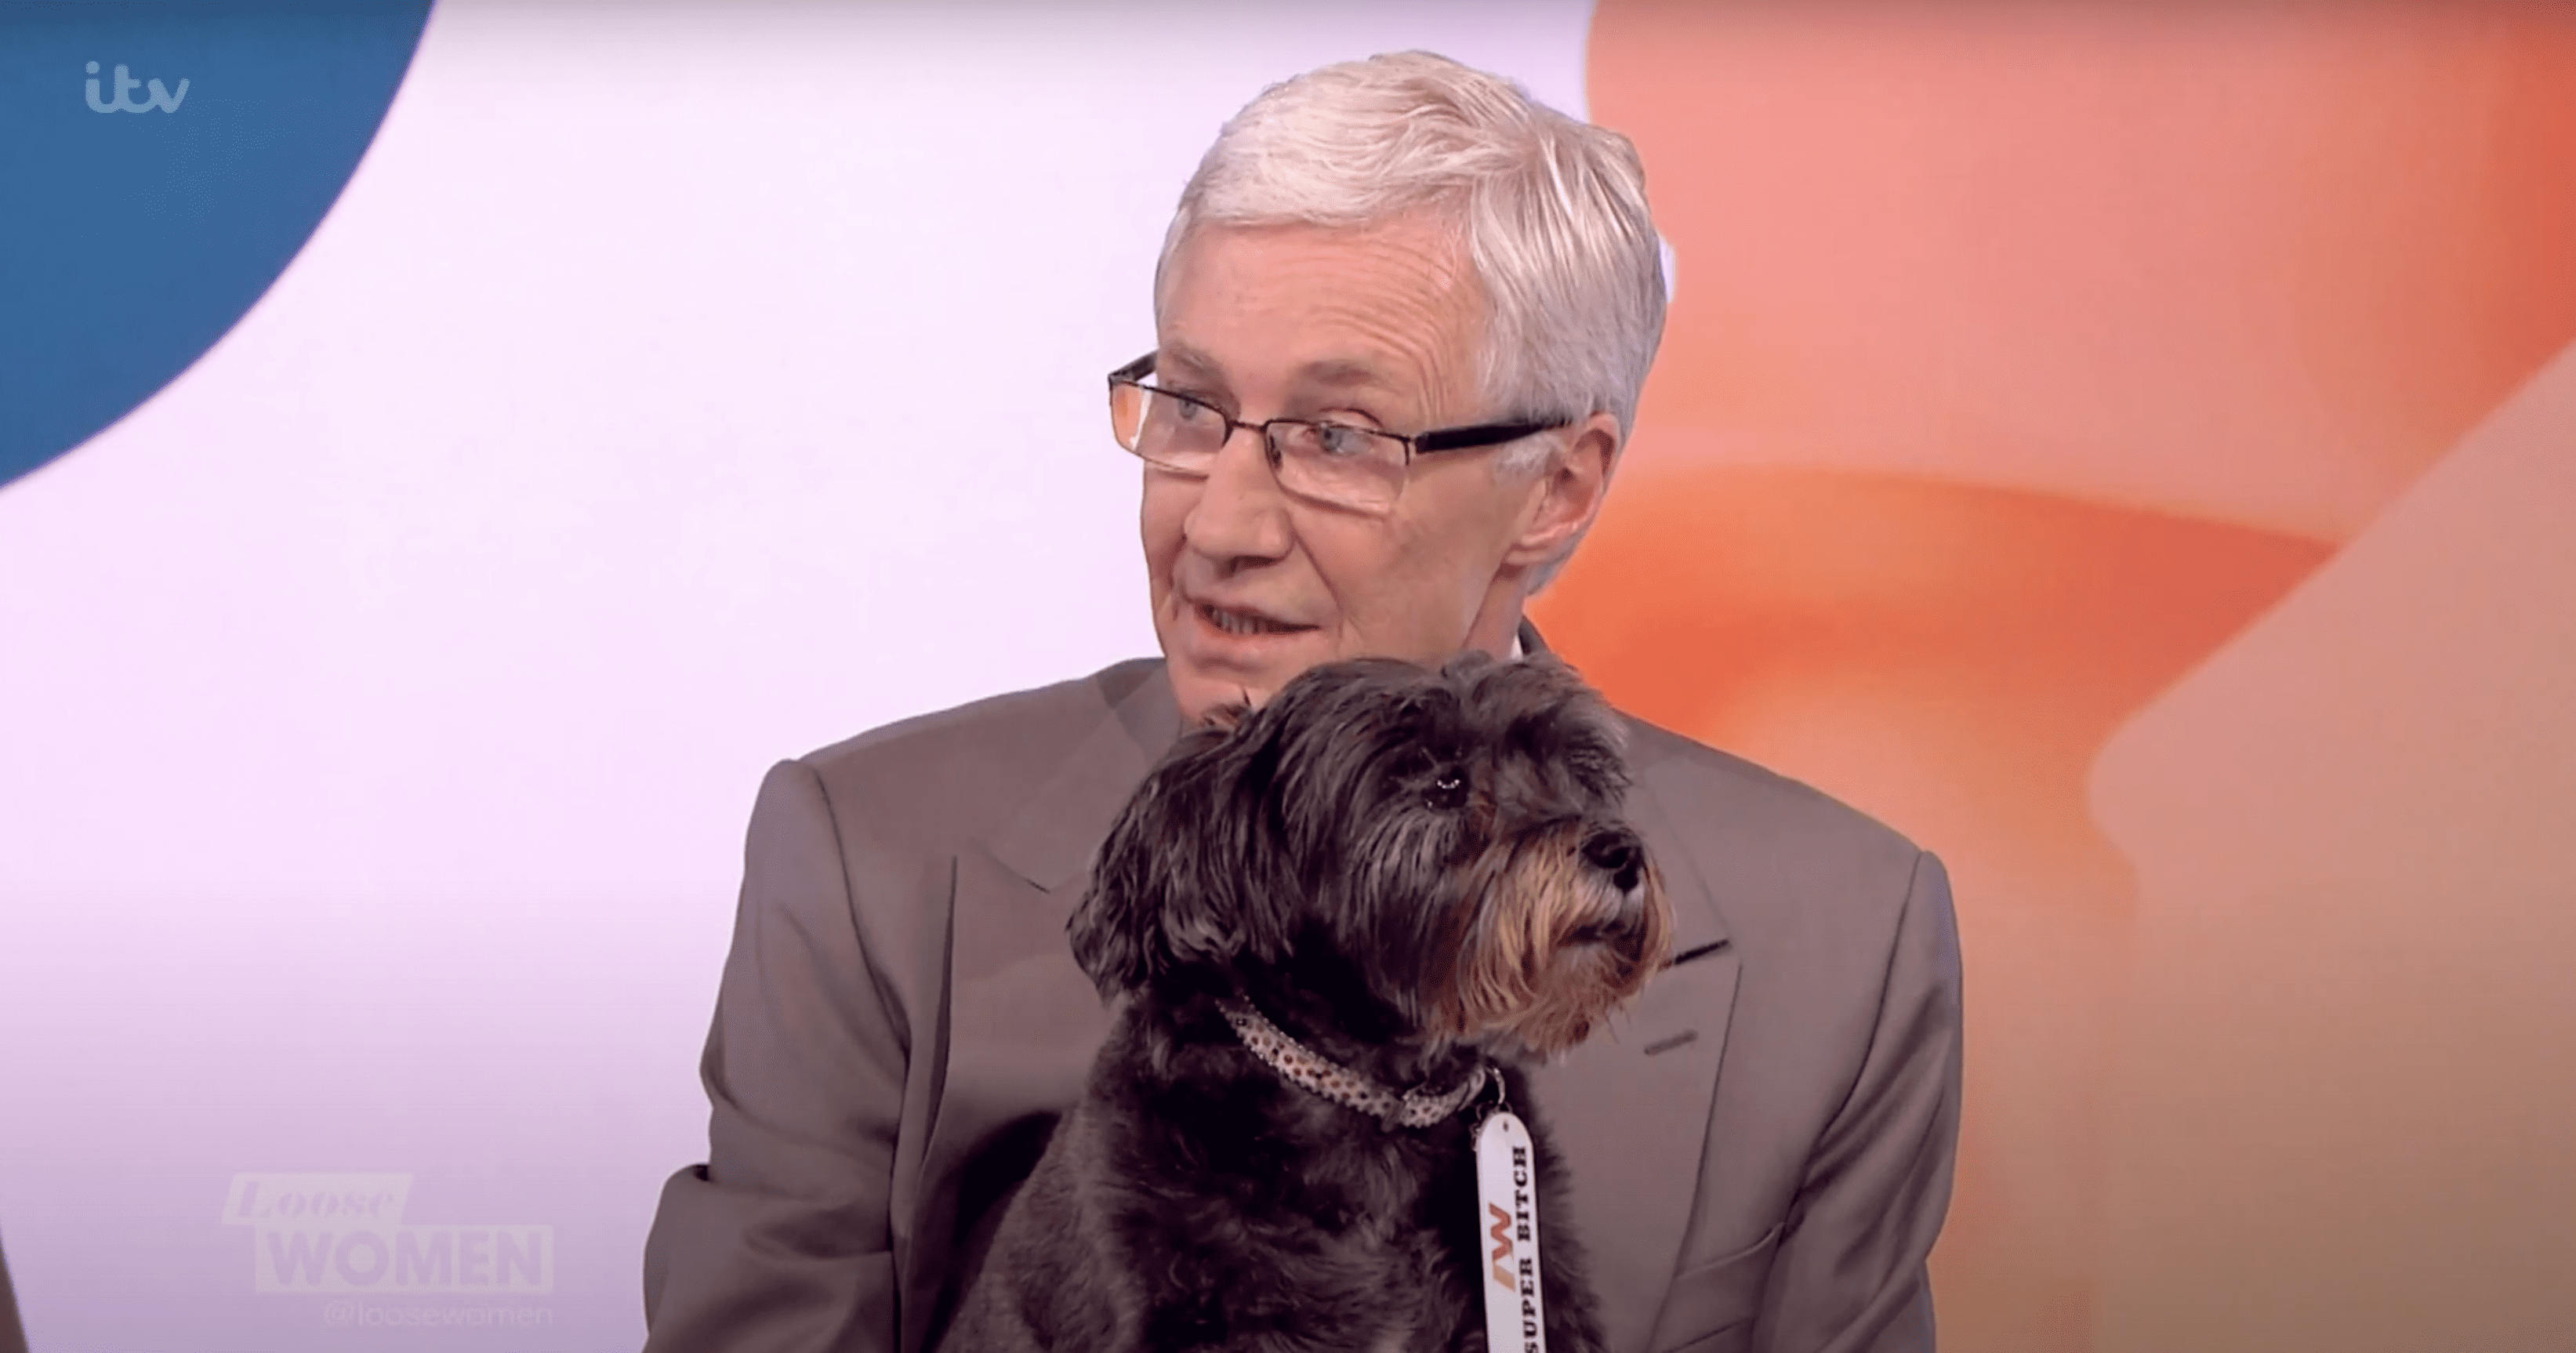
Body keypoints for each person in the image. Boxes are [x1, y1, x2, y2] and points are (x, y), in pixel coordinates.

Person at [641, 50, 1961, 1353]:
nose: (1217, 522)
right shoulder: (868, 857)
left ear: (1555, 487)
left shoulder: (1845, 942)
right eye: (1190, 408)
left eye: (1337, 438)